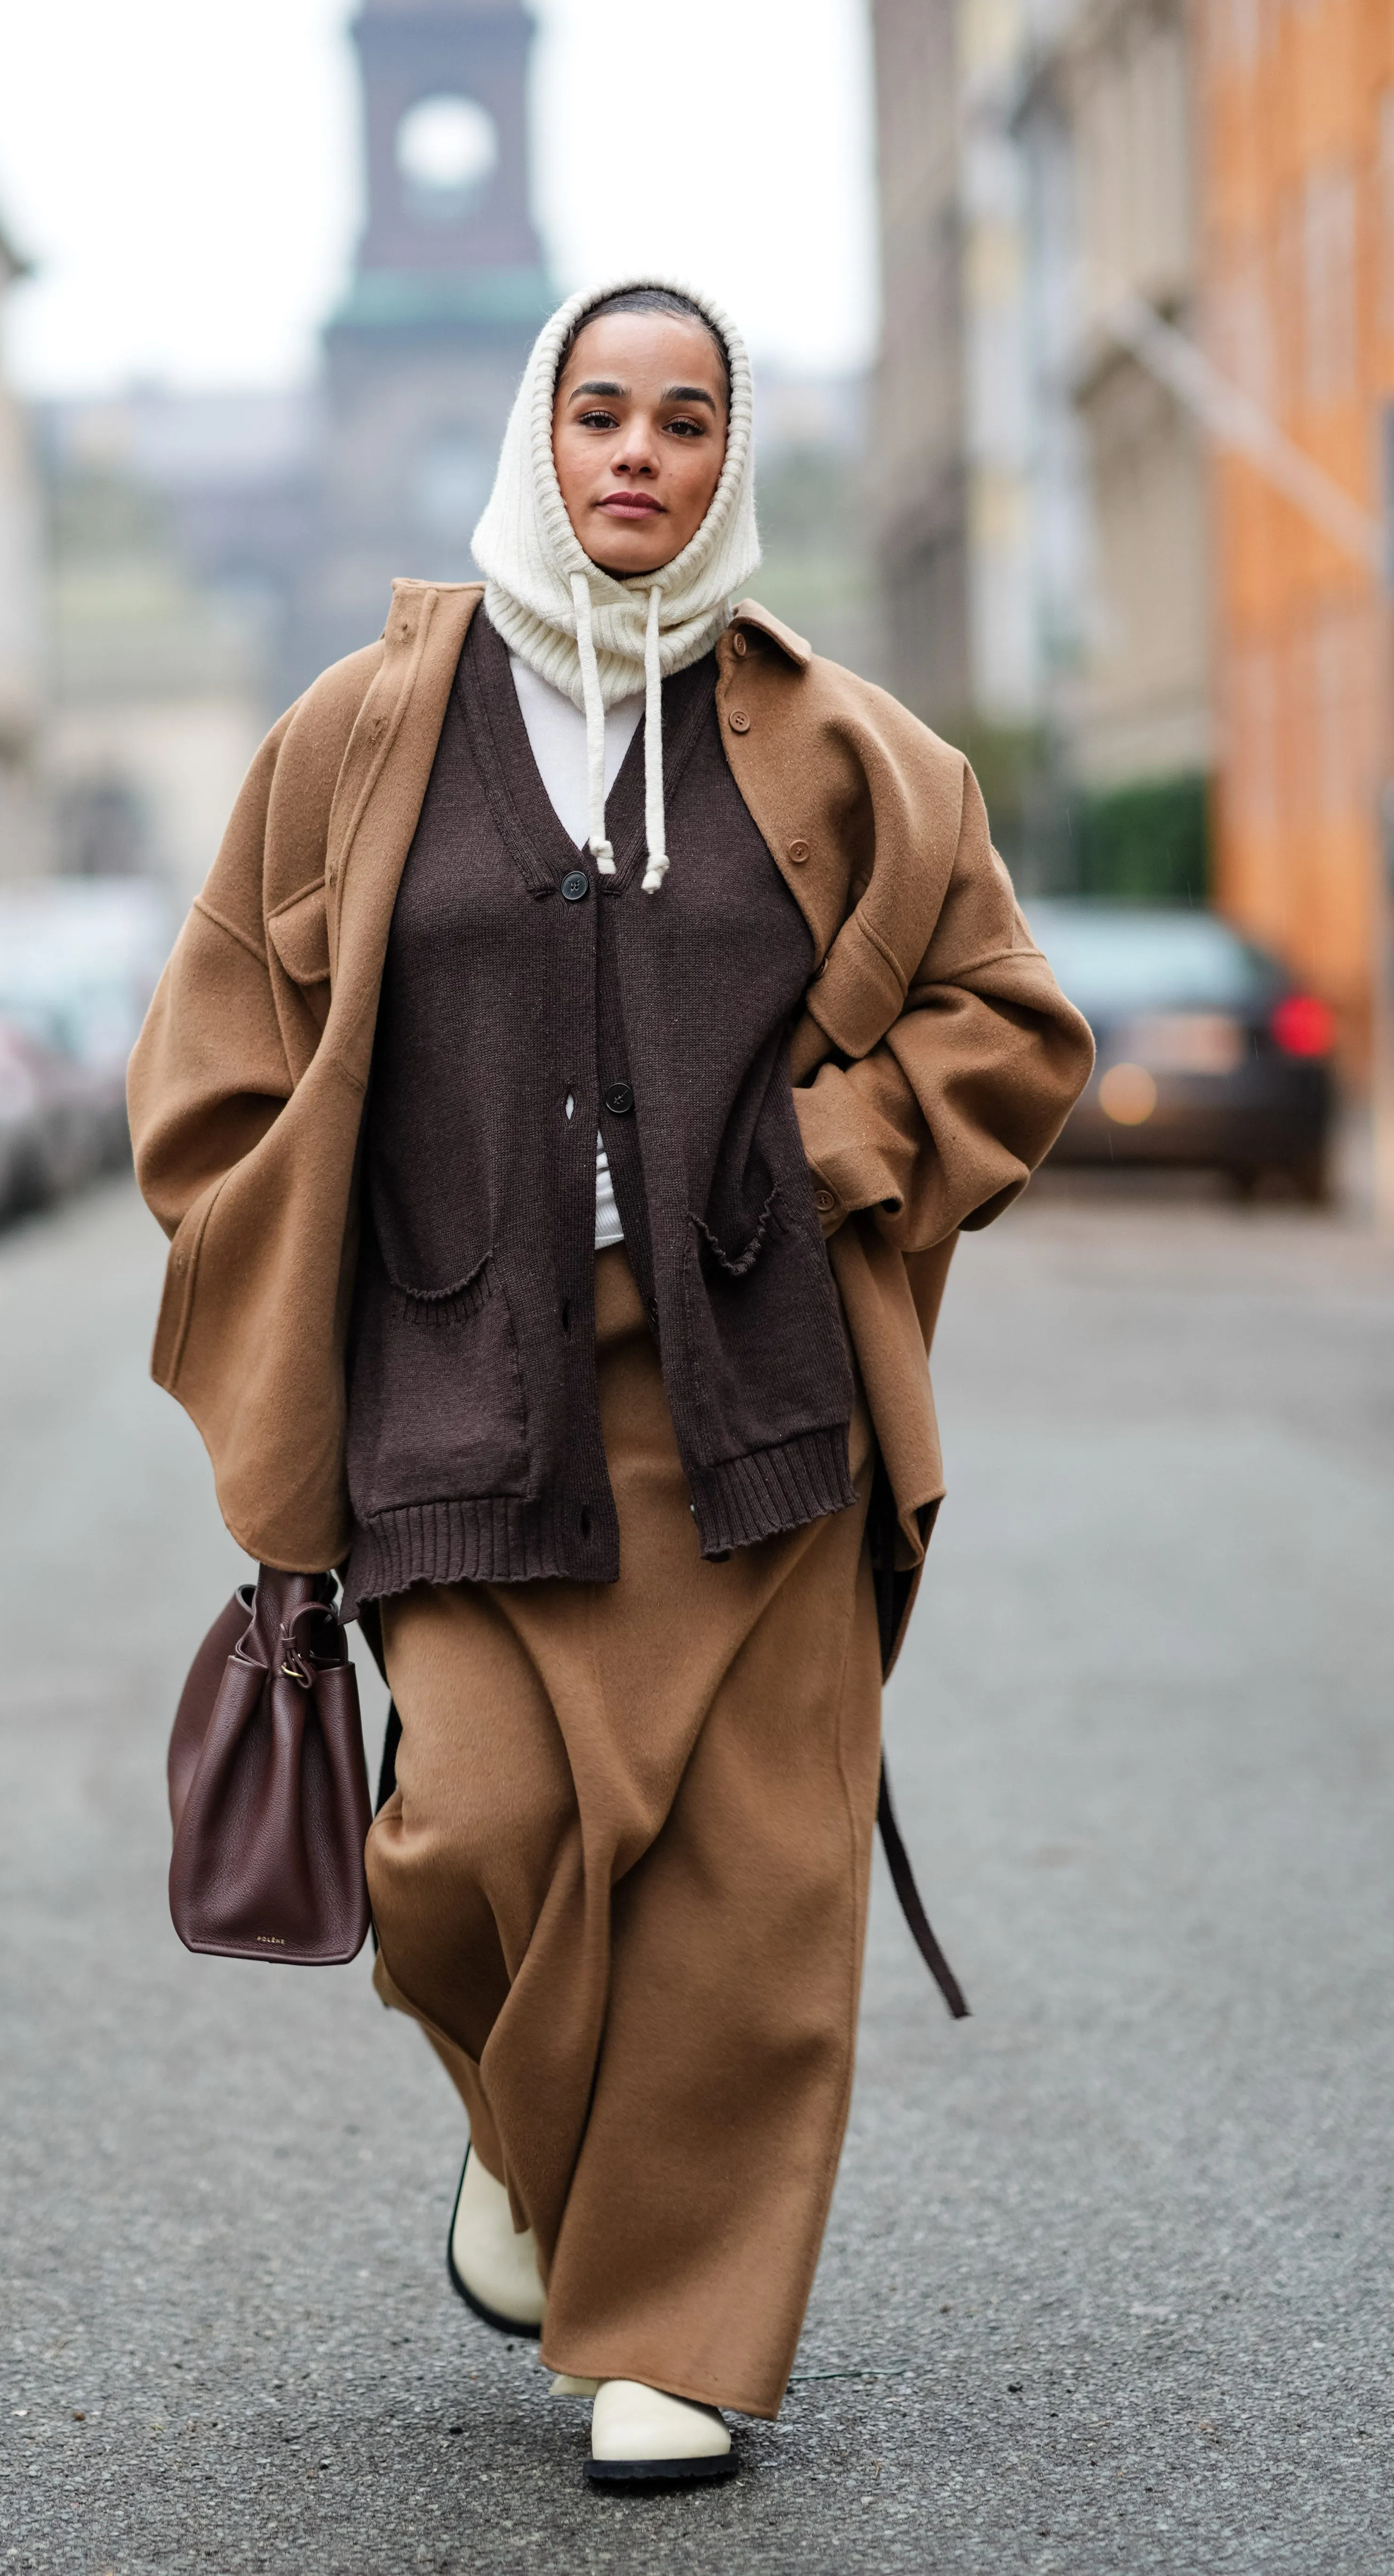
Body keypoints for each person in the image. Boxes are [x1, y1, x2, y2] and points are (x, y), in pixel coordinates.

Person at [128, 280, 1093, 2487]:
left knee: (746, 1891)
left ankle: (671, 2334)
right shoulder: (362, 729)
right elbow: (213, 1056)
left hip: (758, 1397)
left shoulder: (842, 745)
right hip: (455, 1391)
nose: (638, 451)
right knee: (464, 1836)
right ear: (537, 437)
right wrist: (295, 1254)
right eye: (598, 412)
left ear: (730, 458)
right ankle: (519, 2140)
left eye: (683, 417)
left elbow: (1009, 1019)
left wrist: (836, 1148)